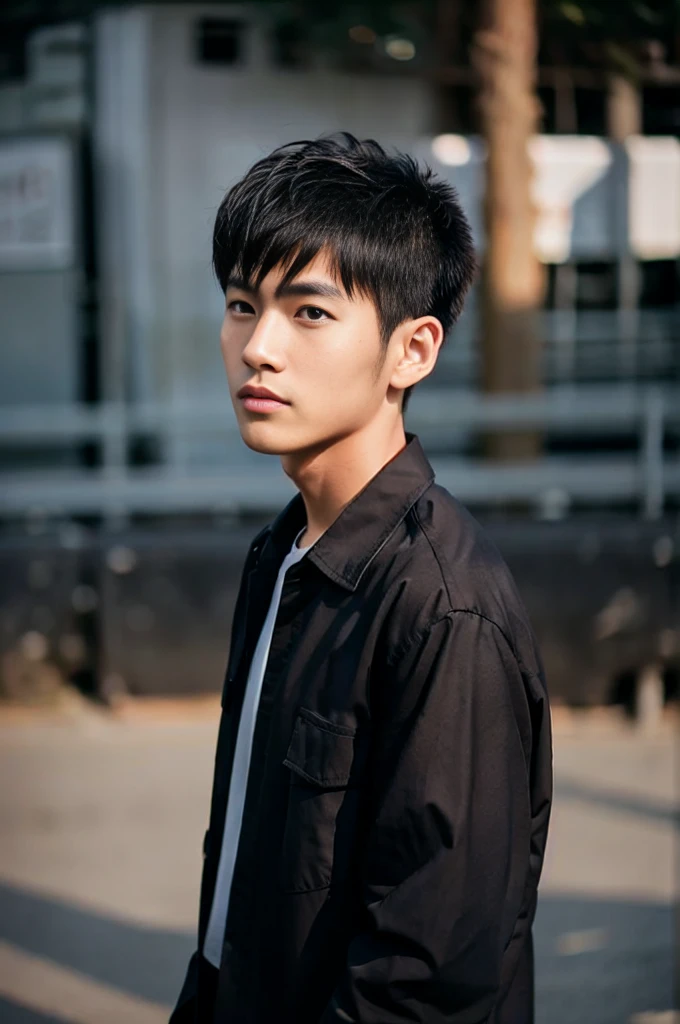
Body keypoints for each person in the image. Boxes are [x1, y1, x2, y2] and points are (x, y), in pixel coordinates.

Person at [169, 132, 552, 1024]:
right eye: (240, 304)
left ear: (412, 351)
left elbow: (430, 972)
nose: (257, 347)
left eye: (308, 313)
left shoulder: (443, 608)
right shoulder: (282, 556)